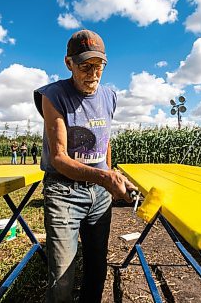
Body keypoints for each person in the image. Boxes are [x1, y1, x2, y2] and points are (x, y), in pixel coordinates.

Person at [34, 29, 137, 303]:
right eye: (84, 66)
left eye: (98, 66)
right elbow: (58, 158)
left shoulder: (110, 96)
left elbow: (105, 142)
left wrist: (110, 175)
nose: (92, 73)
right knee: (62, 277)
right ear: (68, 63)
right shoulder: (53, 95)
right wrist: (105, 177)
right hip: (64, 192)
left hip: (100, 196)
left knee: (97, 265)